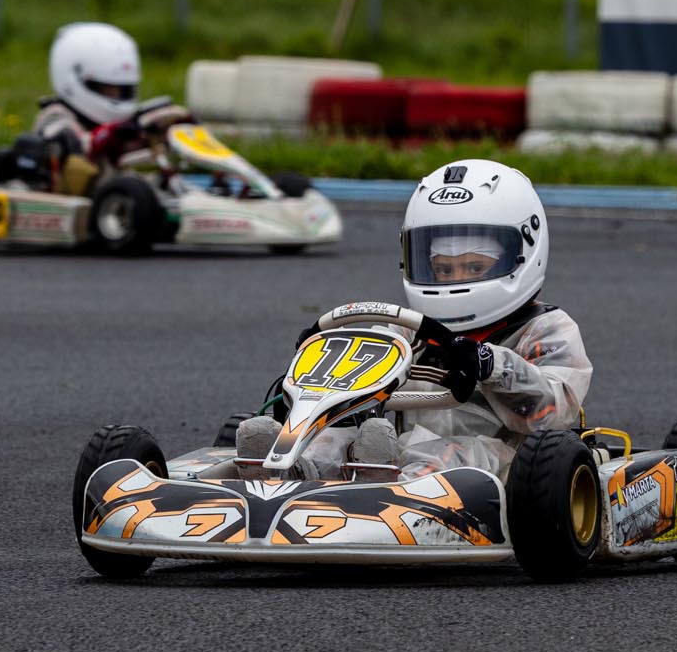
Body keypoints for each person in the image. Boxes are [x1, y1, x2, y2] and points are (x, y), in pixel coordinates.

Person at [238, 158, 591, 477]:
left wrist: (491, 365)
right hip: (398, 448)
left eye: (474, 267)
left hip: (504, 463)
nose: (456, 279)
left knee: (444, 456)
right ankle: (287, 475)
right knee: (334, 442)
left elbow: (553, 412)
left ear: (522, 253)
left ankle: (383, 498)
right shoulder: (405, 330)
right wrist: (323, 367)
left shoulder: (545, 328)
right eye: (443, 269)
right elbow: (361, 394)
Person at [0, 22, 187, 195]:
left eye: (122, 90)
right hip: (71, 195)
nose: (116, 95)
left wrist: (158, 132)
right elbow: (80, 145)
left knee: (160, 186)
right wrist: (114, 134)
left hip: (115, 193)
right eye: (107, 88)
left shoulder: (117, 127)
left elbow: (125, 151)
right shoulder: (56, 116)